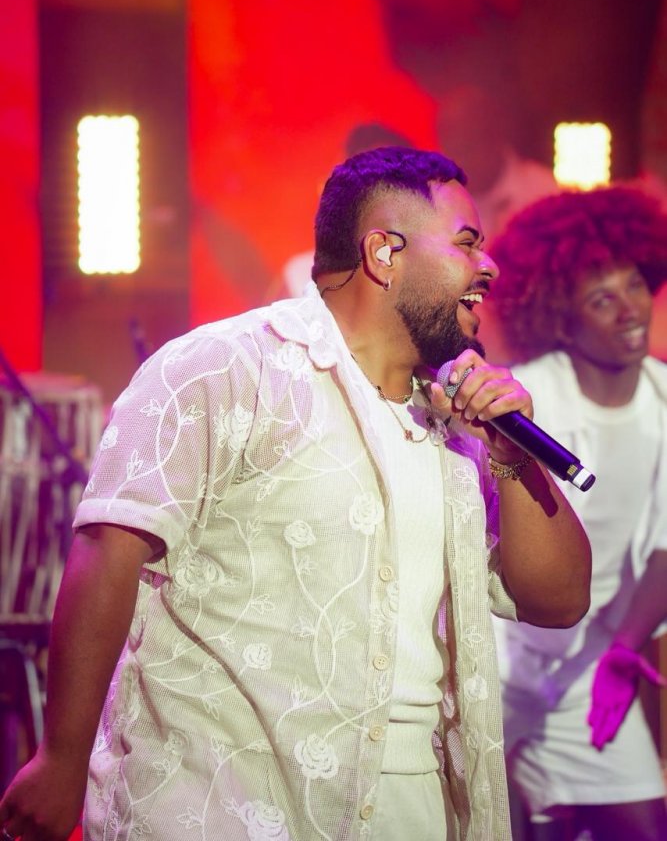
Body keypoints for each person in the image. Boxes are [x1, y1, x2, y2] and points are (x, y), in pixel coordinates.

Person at [0, 147, 591, 841]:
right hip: (228, 801)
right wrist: (62, 757)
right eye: (466, 243)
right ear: (383, 253)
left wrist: (514, 458)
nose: (487, 266)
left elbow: (558, 602)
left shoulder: (461, 428)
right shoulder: (226, 367)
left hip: (413, 808)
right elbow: (109, 551)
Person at [487, 185, 667, 841]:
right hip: (492, 658)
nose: (629, 308)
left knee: (645, 828)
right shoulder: (528, 394)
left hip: (587, 667)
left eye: (634, 285)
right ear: (561, 320)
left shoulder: (663, 398)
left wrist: (623, 651)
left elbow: (665, 546)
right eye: (601, 298)